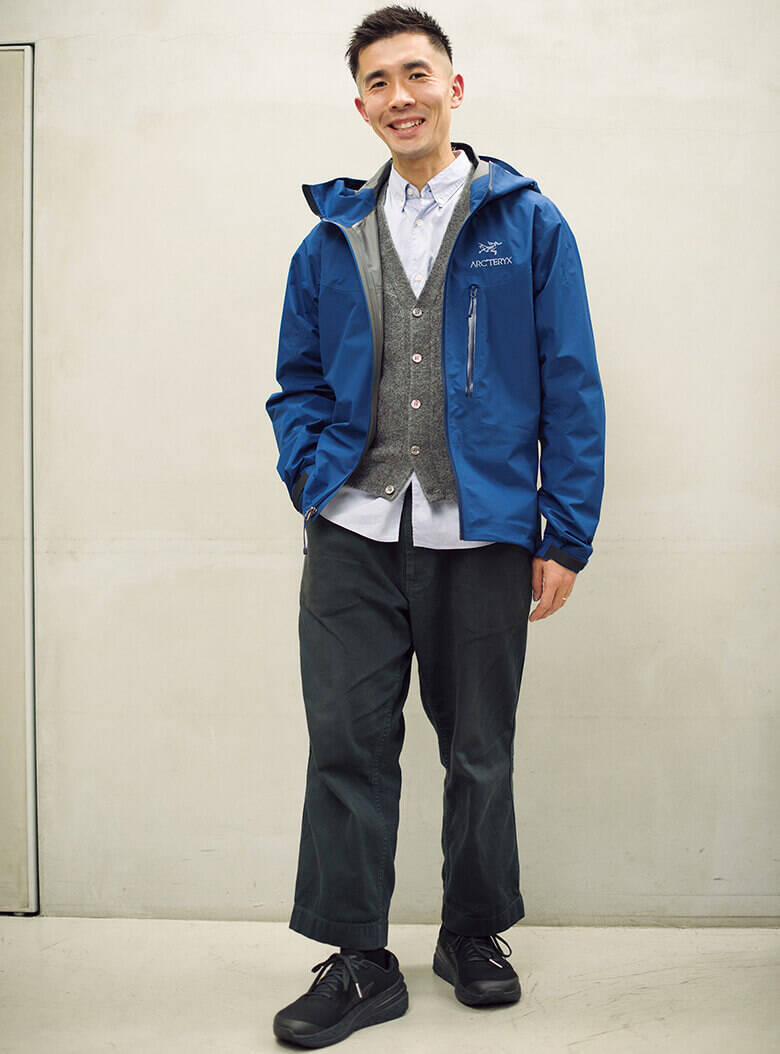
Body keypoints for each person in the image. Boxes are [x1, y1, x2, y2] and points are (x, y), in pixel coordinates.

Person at [266, 5, 606, 1047]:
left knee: (481, 749)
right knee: (347, 743)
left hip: (485, 533)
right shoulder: (331, 239)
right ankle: (358, 959)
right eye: (377, 81)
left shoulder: (529, 225)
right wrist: (312, 473)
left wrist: (565, 532)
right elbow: (297, 381)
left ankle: (471, 934)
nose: (399, 96)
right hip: (354, 532)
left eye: (415, 73)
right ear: (361, 105)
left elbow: (570, 382)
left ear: (453, 88)